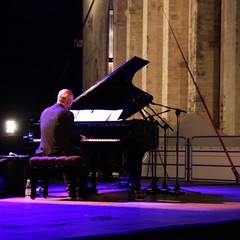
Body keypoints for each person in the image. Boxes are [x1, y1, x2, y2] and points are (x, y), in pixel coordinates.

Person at [35, 89, 89, 200]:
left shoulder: (45, 111)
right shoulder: (66, 113)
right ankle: (78, 190)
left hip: (44, 150)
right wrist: (81, 138)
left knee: (70, 150)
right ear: (69, 101)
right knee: (84, 154)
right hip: (59, 150)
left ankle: (68, 189)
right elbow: (73, 136)